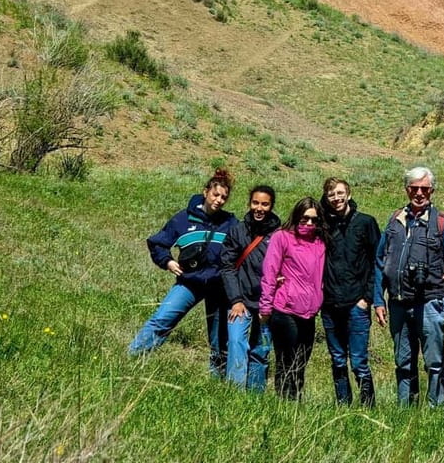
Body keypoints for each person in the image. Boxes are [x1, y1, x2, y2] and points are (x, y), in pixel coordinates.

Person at [129, 169, 238, 377]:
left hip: (219, 286)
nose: (219, 200)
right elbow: (158, 243)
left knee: (220, 336)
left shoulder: (230, 223)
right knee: (162, 319)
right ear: (205, 192)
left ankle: (218, 378)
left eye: (224, 197)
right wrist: (168, 262)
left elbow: (243, 250)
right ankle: (134, 357)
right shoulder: (183, 218)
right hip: (190, 283)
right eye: (215, 195)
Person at [374, 166, 444, 407]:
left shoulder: (442, 223)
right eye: (415, 188)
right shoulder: (395, 220)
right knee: (403, 360)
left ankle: (438, 408)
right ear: (407, 189)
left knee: (434, 361)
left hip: (430, 301)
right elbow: (380, 261)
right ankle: (405, 408)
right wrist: (378, 299)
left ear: (432, 190)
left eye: (425, 189)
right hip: (399, 302)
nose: (420, 193)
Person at [320, 177, 381, 407]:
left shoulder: (365, 223)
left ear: (349, 193)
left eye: (339, 193)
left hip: (357, 304)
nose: (336, 198)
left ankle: (369, 407)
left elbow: (378, 261)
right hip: (330, 304)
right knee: (337, 360)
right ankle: (342, 406)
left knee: (358, 362)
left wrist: (367, 298)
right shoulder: (323, 225)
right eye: (331, 194)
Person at [259, 197, 326, 400]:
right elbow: (270, 271)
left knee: (302, 362)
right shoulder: (282, 237)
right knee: (286, 362)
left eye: (314, 220)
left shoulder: (320, 242)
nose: (309, 224)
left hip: (309, 313)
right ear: (297, 216)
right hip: (285, 309)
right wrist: (265, 306)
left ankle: (295, 404)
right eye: (305, 218)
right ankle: (284, 404)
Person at [219, 185, 281, 391]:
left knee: (261, 349)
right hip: (241, 301)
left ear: (271, 206)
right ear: (249, 203)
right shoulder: (238, 231)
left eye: (265, 204)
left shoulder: (280, 234)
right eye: (256, 203)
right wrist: (235, 300)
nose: (259, 208)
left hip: (268, 303)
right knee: (236, 343)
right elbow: (227, 266)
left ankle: (255, 395)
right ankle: (235, 393)